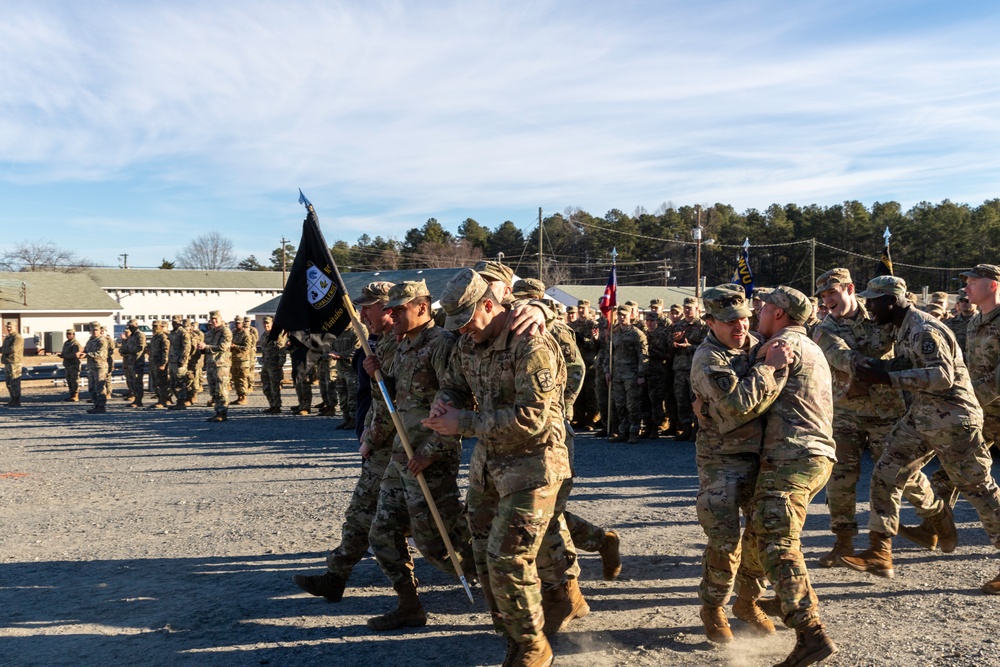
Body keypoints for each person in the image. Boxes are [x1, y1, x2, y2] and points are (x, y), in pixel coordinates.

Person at [425, 268, 570, 667]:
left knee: (509, 560)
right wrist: (446, 401)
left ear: (489, 304)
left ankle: (533, 648)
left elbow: (532, 419)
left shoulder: (530, 343)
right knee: (483, 557)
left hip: (533, 467)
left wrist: (464, 424)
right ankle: (513, 633)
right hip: (489, 467)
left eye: (468, 321)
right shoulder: (469, 342)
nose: (462, 331)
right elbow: (455, 382)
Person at [840, 275, 1000, 595]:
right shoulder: (902, 328)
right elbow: (907, 365)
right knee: (886, 471)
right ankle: (880, 551)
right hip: (922, 417)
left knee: (979, 490)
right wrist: (873, 369)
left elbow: (941, 376)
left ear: (892, 301)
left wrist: (886, 378)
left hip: (954, 419)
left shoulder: (924, 328)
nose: (868, 305)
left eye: (873, 299)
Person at [361, 280, 475, 632]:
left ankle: (508, 580)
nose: (390, 315)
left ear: (422, 308)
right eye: (389, 310)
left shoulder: (442, 345)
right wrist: (374, 374)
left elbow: (458, 399)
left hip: (429, 457)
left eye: (399, 310)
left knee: (439, 547)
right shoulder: (401, 344)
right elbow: (390, 398)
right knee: (381, 534)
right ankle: (409, 606)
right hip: (401, 454)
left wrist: (430, 451)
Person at [690, 284, 789, 643]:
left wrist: (765, 362)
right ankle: (713, 607)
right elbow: (735, 408)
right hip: (722, 460)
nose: (740, 328)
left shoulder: (754, 345)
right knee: (725, 539)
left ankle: (747, 602)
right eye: (730, 322)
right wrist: (769, 369)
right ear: (710, 321)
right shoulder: (707, 359)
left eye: (745, 319)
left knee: (762, 535)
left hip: (762, 456)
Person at [811, 268, 930, 565]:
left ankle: (934, 513)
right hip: (845, 413)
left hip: (887, 412)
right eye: (823, 296)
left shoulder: (880, 312)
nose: (828, 301)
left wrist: (884, 371)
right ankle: (844, 542)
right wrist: (879, 368)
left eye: (832, 293)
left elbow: (907, 350)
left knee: (903, 474)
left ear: (850, 289)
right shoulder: (825, 328)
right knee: (839, 478)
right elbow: (841, 357)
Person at [749, 285, 839, 665]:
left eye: (764, 307)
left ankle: (810, 632)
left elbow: (750, 402)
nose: (757, 313)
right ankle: (784, 596)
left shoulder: (780, 348)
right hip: (814, 456)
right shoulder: (812, 344)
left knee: (778, 538)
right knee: (764, 529)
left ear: (780, 314)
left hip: (791, 456)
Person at [293, 281, 398, 602]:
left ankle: (479, 572)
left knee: (425, 527)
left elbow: (399, 400)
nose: (362, 313)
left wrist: (373, 436)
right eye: (361, 307)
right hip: (376, 442)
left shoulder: (401, 344)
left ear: (389, 307)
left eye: (369, 306)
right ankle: (337, 577)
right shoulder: (376, 342)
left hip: (395, 445)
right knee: (364, 513)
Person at [608, 305, 648, 444]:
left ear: (630, 315)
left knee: (632, 405)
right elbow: (610, 353)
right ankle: (623, 431)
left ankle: (634, 432)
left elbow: (643, 355)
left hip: (631, 375)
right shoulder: (615, 333)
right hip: (617, 374)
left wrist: (641, 374)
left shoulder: (637, 334)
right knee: (620, 404)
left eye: (624, 315)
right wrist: (608, 371)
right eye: (619, 315)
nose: (621, 317)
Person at [672, 297, 708, 441]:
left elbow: (706, 347)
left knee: (695, 400)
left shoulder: (703, 326)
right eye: (685, 307)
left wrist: (689, 347)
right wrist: (675, 342)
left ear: (697, 309)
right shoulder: (678, 325)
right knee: (681, 400)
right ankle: (686, 428)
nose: (687, 310)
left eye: (690, 308)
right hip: (680, 368)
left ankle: (697, 430)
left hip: (696, 368)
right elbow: (668, 344)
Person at [199, 311, 233, 422]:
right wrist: (201, 348)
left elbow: (223, 347)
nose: (214, 321)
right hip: (211, 364)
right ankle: (217, 411)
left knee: (221, 389)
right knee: (214, 390)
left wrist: (206, 347)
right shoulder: (211, 332)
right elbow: (207, 346)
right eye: (212, 319)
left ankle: (223, 413)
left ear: (220, 318)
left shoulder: (225, 331)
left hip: (221, 365)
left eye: (216, 319)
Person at [79, 321, 109, 414]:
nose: (95, 332)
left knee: (100, 387)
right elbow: (86, 349)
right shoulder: (91, 340)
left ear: (100, 330)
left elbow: (100, 353)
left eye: (96, 330)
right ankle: (96, 405)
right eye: (93, 330)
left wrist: (87, 355)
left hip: (100, 367)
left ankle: (101, 406)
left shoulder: (102, 340)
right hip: (92, 367)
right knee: (92, 388)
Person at [259, 316, 287, 414]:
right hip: (266, 365)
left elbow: (281, 349)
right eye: (264, 323)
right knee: (266, 387)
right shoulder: (263, 335)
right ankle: (272, 405)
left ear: (272, 324)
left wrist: (280, 364)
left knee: (275, 387)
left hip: (274, 365)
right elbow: (263, 350)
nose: (266, 325)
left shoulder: (276, 335)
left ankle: (277, 406)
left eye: (268, 323)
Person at [119, 319, 146, 408]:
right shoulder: (131, 336)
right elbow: (126, 347)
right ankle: (135, 397)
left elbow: (140, 348)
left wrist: (129, 352)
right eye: (129, 326)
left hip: (137, 362)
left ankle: (139, 400)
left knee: (137, 381)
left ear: (136, 325)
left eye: (131, 325)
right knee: (132, 382)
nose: (130, 327)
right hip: (130, 362)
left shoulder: (140, 335)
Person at [167, 315, 192, 410]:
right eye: (173, 322)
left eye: (176, 322)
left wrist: (183, 359)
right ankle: (179, 400)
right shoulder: (173, 333)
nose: (174, 323)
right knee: (173, 383)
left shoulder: (183, 333)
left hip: (179, 362)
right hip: (172, 361)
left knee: (180, 382)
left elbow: (187, 347)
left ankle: (182, 402)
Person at [148, 321, 170, 409]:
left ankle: (163, 400)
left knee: (162, 382)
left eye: (156, 326)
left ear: (161, 326)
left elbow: (166, 351)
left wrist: (164, 363)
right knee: (156, 382)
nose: (155, 328)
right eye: (153, 326)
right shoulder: (155, 337)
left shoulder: (163, 337)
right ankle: (160, 399)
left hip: (160, 363)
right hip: (154, 363)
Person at [230, 317, 252, 405]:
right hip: (234, 359)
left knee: (242, 378)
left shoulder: (245, 334)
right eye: (236, 323)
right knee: (235, 379)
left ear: (242, 323)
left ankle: (244, 397)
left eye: (239, 323)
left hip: (243, 360)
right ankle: (239, 396)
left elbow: (247, 348)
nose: (237, 325)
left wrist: (236, 346)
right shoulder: (234, 333)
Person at [1, 320, 24, 407]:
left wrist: (2, 350)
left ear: (15, 327)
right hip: (7, 362)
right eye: (8, 327)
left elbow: (13, 349)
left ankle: (16, 400)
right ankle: (12, 399)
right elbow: (4, 348)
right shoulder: (8, 337)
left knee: (14, 382)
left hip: (15, 363)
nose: (9, 329)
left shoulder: (17, 338)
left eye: (10, 327)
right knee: (9, 383)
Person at [59, 329, 82, 402]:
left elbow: (75, 354)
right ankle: (71, 394)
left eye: (70, 334)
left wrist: (65, 356)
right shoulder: (66, 343)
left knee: (74, 380)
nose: (68, 335)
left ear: (73, 335)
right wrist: (62, 355)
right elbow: (64, 352)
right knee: (69, 380)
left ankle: (75, 395)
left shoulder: (75, 343)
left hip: (74, 364)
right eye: (67, 334)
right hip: (67, 364)